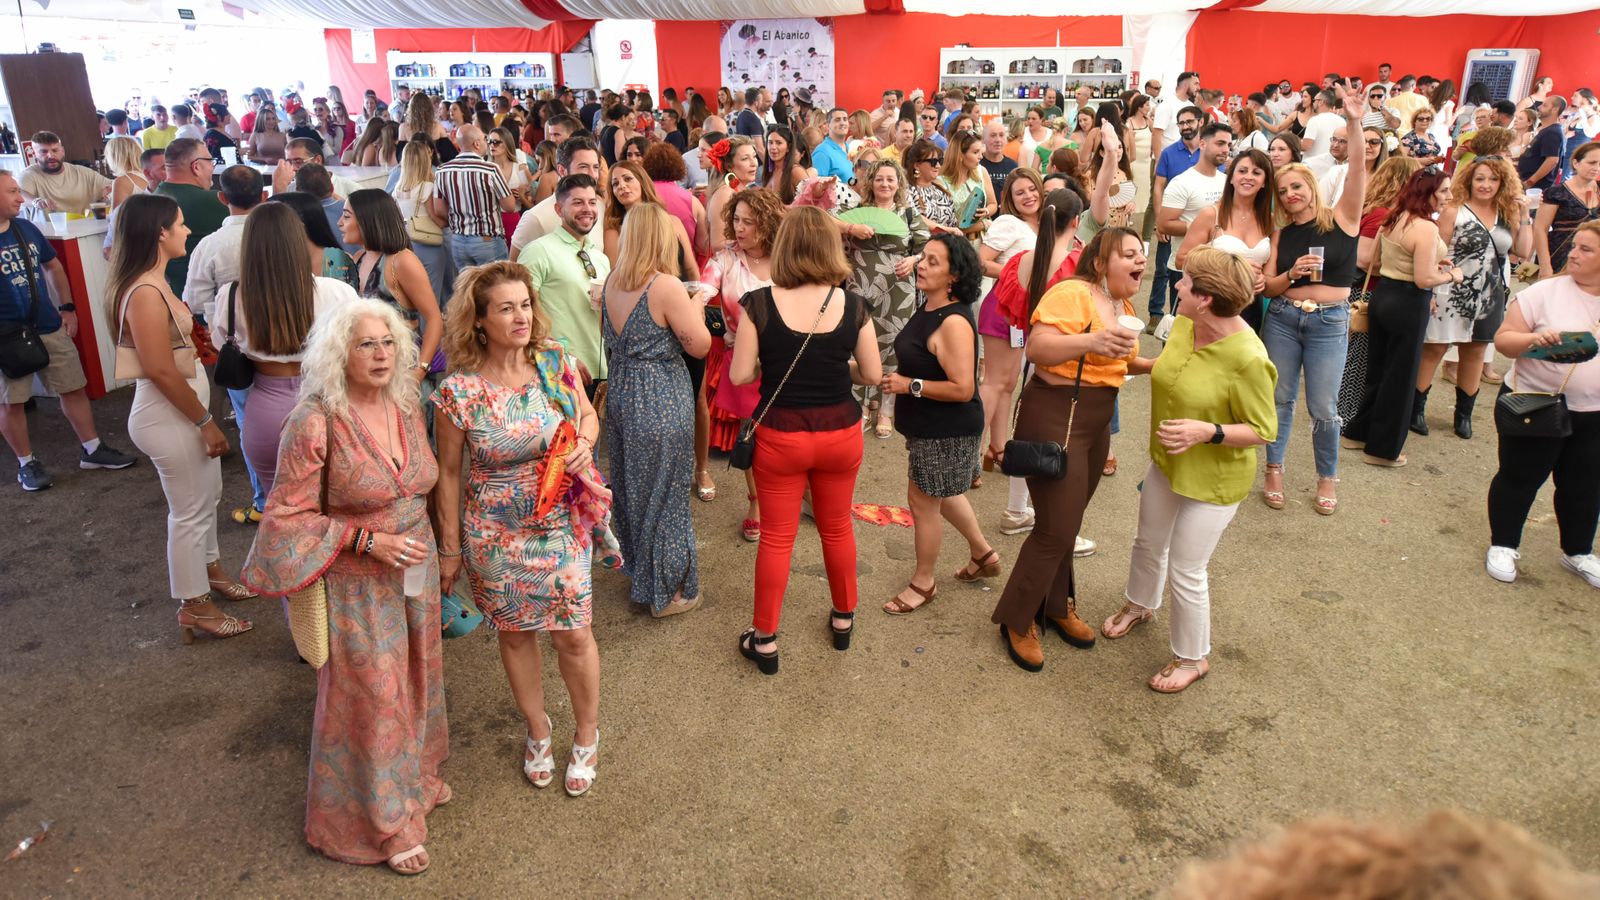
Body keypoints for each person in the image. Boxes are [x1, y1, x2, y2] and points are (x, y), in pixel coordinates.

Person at [242, 298, 446, 873]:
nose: (381, 355)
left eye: (389, 343)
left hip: (416, 569)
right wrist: (366, 542)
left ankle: (416, 785)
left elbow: (422, 481)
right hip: (357, 581)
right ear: (339, 353)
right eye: (366, 345)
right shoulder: (314, 419)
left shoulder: (407, 401)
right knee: (372, 699)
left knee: (418, 680)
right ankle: (381, 825)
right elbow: (285, 515)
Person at [434, 261, 611, 798]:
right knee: (514, 635)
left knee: (574, 634)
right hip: (494, 533)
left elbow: (587, 415)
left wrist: (583, 441)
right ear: (479, 321)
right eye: (506, 308)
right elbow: (446, 474)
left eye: (525, 305)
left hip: (559, 523)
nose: (520, 317)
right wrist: (449, 549)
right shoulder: (458, 393)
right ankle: (538, 730)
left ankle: (586, 734)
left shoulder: (554, 360)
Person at [1100, 248, 1275, 692]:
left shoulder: (1249, 358)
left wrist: (1207, 431)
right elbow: (1165, 369)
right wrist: (1118, 359)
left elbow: (1263, 430)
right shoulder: (1183, 324)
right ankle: (1140, 604)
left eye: (1186, 281)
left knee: (1186, 568)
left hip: (1214, 480)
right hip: (1168, 461)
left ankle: (1193, 658)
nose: (1175, 283)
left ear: (1208, 299)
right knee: (1147, 541)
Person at [729, 206, 881, 674]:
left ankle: (767, 639)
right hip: (840, 432)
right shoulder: (852, 305)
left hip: (781, 435)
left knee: (777, 537)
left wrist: (768, 362)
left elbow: (740, 374)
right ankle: (842, 618)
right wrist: (837, 367)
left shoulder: (758, 303)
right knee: (837, 526)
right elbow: (872, 374)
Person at [990, 228, 1144, 672]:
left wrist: (1160, 365)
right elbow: (1038, 347)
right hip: (1057, 414)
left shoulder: (1122, 306)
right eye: (1129, 254)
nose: (1140, 262)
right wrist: (1091, 340)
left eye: (1141, 255)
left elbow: (1118, 360)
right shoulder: (1072, 293)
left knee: (1069, 519)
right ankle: (1017, 619)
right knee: (1056, 529)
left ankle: (1056, 605)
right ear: (1100, 262)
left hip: (1095, 420)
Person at [108, 193, 252, 636]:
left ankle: (211, 575)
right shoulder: (145, 292)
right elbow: (157, 368)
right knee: (189, 512)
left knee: (205, 499)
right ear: (160, 233)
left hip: (178, 412)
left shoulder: (149, 282)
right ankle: (195, 606)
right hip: (169, 416)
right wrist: (205, 421)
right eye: (182, 224)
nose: (188, 230)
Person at [601, 204, 712, 617]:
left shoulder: (614, 280)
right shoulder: (664, 286)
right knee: (666, 493)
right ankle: (669, 593)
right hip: (660, 395)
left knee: (634, 488)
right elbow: (699, 345)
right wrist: (696, 308)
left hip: (624, 391)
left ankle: (643, 575)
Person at [879, 233, 998, 615]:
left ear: (954, 275)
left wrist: (907, 385)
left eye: (932, 261)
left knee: (923, 501)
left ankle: (923, 583)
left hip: (945, 428)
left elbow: (963, 388)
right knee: (943, 492)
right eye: (922, 258)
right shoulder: (930, 305)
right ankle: (983, 554)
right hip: (930, 425)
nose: (922, 265)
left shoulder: (953, 322)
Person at [0, 169, 135, 492]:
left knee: (73, 387)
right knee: (10, 401)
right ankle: (26, 463)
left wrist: (67, 307)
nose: (20, 197)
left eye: (18, 190)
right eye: (11, 192)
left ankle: (92, 449)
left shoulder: (26, 229)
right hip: (6, 335)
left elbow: (53, 266)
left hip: (47, 324)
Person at [213, 201, 359, 500]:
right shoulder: (336, 292)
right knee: (337, 508)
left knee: (279, 509)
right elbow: (357, 347)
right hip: (327, 404)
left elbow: (222, 343)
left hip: (265, 411)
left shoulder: (230, 296)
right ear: (297, 240)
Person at [1485, 220, 1600, 587]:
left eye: (1586, 249)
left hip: (1593, 411)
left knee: (1585, 484)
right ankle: (1503, 543)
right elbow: (1503, 341)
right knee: (1520, 477)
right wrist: (1536, 339)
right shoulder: (1545, 293)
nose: (1573, 253)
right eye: (1575, 245)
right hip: (1536, 402)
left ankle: (1578, 550)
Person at [1343, 169, 1462, 467]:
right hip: (1408, 302)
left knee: (1378, 370)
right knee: (1401, 378)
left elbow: (1380, 261)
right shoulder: (1425, 227)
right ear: (1429, 193)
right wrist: (1452, 274)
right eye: (1444, 191)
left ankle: (1358, 432)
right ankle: (1383, 450)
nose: (1448, 197)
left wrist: (1431, 262)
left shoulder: (1394, 217)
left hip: (1384, 295)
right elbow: (1423, 279)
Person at [1415, 157, 1533, 440]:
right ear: (1468, 180)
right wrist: (1430, 290)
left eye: (1493, 179)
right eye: (1480, 178)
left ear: (1503, 183)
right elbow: (1437, 251)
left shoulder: (1507, 213)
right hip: (1451, 290)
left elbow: (1523, 251)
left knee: (1476, 352)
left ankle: (1463, 414)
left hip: (1489, 294)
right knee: (1435, 349)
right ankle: (1415, 409)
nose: (1486, 185)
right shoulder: (1455, 210)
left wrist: (1525, 214)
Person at [700, 188, 785, 535]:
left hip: (787, 359)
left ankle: (796, 493)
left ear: (766, 224)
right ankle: (757, 501)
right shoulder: (724, 259)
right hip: (747, 362)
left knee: (788, 436)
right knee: (754, 435)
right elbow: (702, 291)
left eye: (749, 222)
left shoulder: (786, 258)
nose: (740, 227)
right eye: (736, 219)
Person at [846, 159, 928, 441]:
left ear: (899, 183)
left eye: (890, 180)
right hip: (860, 283)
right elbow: (832, 230)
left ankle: (885, 410)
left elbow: (926, 245)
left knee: (893, 343)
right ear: (871, 182)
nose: (884, 184)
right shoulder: (857, 211)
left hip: (898, 285)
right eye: (879, 179)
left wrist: (914, 260)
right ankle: (859, 407)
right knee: (857, 342)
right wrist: (850, 230)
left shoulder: (907, 212)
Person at [339, 189, 444, 387]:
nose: (340, 223)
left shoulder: (401, 260)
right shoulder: (357, 258)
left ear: (367, 220)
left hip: (403, 373)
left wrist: (420, 370)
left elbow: (434, 318)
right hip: (369, 373)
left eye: (346, 216)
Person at [519, 174, 609, 393]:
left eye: (591, 202)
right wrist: (561, 356)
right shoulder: (538, 251)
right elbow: (522, 315)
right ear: (559, 210)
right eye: (577, 202)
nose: (587, 209)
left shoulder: (599, 257)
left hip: (600, 371)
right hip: (557, 370)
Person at [1177, 148, 1275, 333]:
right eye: (1242, 171)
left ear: (1264, 182)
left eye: (1256, 172)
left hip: (1251, 306)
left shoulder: (1269, 220)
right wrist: (1234, 266)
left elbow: (1271, 266)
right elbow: (1181, 259)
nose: (1248, 177)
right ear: (1230, 178)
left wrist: (1264, 279)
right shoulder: (1211, 215)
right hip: (1212, 304)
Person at [1148, 106, 1204, 326]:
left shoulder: (1208, 152)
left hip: (1202, 226)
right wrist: (1161, 223)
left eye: (1189, 122)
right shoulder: (1169, 153)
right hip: (1173, 223)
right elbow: (1158, 187)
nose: (1185, 127)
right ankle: (1156, 313)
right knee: (1163, 268)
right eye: (1181, 123)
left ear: (1200, 122)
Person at [432, 125, 515, 270]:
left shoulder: (442, 170)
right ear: (476, 143)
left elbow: (439, 210)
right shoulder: (490, 169)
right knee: (496, 286)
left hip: (458, 240)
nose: (487, 143)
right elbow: (509, 206)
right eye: (485, 139)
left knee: (468, 288)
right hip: (487, 240)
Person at [509, 135, 602, 256]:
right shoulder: (536, 218)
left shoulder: (600, 207)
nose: (592, 174)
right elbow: (514, 271)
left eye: (595, 167)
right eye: (583, 167)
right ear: (562, 170)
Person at [391, 139, 452, 305]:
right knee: (432, 297)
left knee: (416, 297)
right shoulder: (427, 187)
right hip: (430, 245)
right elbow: (437, 219)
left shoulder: (398, 189)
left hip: (408, 245)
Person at [1535, 140, 1600, 278]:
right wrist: (1545, 266)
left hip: (1594, 262)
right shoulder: (1556, 193)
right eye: (1592, 163)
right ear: (1576, 163)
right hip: (1561, 259)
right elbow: (1540, 229)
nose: (1597, 168)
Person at [18, 132, 111, 215]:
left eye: (55, 150)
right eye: (43, 152)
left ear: (62, 151)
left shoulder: (82, 172)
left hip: (85, 230)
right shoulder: (28, 175)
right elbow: (20, 196)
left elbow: (114, 186)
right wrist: (36, 201)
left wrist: (110, 193)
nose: (50, 156)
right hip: (48, 233)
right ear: (34, 154)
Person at [703, 135, 761, 247]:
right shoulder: (725, 193)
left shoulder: (741, 189)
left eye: (754, 157)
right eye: (745, 159)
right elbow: (717, 244)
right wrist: (756, 244)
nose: (754, 163)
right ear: (729, 166)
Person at [938, 131, 997, 236]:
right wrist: (984, 224)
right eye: (975, 152)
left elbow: (993, 204)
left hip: (985, 239)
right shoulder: (941, 182)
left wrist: (986, 211)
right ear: (960, 155)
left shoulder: (981, 171)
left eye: (980, 152)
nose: (981, 157)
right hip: (959, 243)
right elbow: (946, 225)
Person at [904, 140, 960, 237]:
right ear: (917, 165)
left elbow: (953, 223)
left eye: (940, 161)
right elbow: (914, 217)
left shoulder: (941, 191)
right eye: (933, 162)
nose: (938, 166)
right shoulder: (907, 190)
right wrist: (946, 230)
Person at [1519, 96, 1568, 192]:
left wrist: (1530, 181)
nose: (1539, 107)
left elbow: (1552, 160)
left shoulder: (1552, 131)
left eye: (1544, 105)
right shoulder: (1547, 130)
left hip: (1536, 186)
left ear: (1555, 109)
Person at [759, 125, 810, 205]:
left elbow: (810, 200)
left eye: (778, 143)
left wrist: (788, 209)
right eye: (770, 142)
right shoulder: (770, 170)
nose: (773, 147)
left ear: (788, 148)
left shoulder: (796, 171)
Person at [810, 108, 854, 182]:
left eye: (845, 119)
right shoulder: (822, 153)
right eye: (837, 120)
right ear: (828, 125)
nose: (842, 123)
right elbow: (816, 187)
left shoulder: (850, 148)